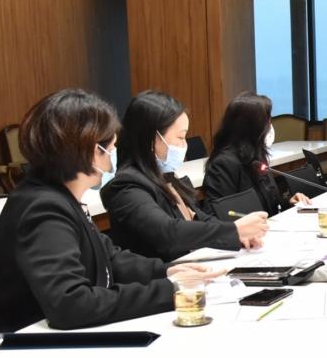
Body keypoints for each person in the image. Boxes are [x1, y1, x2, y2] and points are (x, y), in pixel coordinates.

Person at [0, 89, 220, 351]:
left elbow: (108, 256)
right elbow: (71, 304)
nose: (113, 157)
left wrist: (168, 272)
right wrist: (171, 290)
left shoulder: (57, 194)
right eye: (109, 148)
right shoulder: (43, 208)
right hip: (11, 351)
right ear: (89, 150)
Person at [101, 90, 269, 261]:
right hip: (163, 273)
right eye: (180, 137)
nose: (184, 145)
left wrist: (237, 237)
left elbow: (199, 219)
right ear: (152, 140)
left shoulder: (166, 177)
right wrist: (234, 230)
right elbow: (167, 232)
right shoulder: (126, 186)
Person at [202, 92, 311, 217]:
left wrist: (289, 203)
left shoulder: (257, 156)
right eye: (267, 121)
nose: (270, 126)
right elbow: (217, 216)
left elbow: (270, 204)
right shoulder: (223, 164)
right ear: (252, 127)